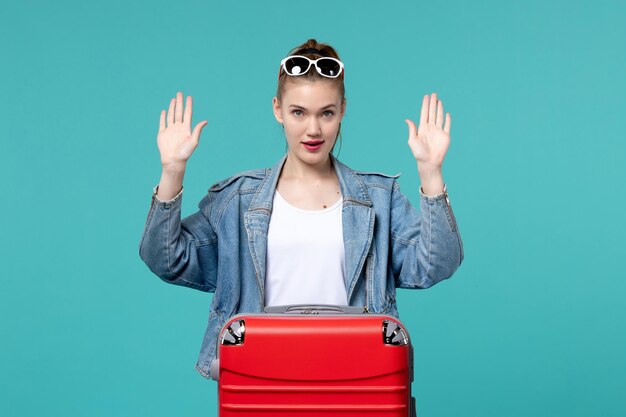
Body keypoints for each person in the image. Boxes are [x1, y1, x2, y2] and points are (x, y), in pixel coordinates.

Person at [139, 39, 464, 379]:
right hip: (261, 376)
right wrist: (172, 170)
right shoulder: (238, 201)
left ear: (342, 110)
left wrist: (430, 172)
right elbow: (167, 260)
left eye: (326, 113)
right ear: (277, 109)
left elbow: (435, 266)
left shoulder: (379, 199)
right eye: (299, 112)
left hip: (356, 376)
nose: (313, 129)